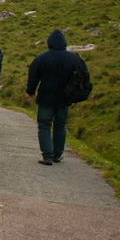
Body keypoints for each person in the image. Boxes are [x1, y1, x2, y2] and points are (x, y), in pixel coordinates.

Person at [27, 29, 88, 165]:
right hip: (65, 98)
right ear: (64, 43)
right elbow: (84, 75)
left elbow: (33, 76)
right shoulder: (74, 58)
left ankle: (47, 156)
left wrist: (30, 91)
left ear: (49, 43)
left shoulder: (41, 58)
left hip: (46, 97)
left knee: (44, 125)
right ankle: (57, 154)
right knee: (60, 125)